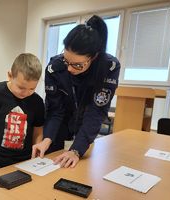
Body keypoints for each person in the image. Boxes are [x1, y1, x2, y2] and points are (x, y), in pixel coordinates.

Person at [32, 15, 120, 168]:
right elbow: (55, 110)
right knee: (52, 164)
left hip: (85, 125)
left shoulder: (109, 67)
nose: (69, 69)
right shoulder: (55, 68)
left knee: (76, 168)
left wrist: (76, 150)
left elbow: (96, 111)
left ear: (93, 57)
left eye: (77, 65)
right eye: (67, 61)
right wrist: (47, 138)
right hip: (60, 124)